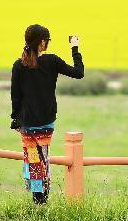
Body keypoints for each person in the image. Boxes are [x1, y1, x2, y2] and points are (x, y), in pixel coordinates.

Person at [10, 24, 84, 204]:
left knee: (34, 160)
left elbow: (15, 96)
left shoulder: (19, 65)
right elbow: (79, 73)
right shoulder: (52, 61)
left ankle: (38, 198)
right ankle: (42, 198)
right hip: (46, 122)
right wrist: (74, 48)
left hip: (27, 122)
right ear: (42, 42)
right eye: (48, 41)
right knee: (43, 157)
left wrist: (15, 120)